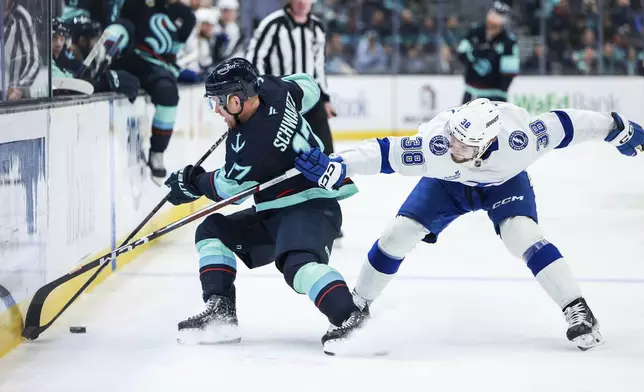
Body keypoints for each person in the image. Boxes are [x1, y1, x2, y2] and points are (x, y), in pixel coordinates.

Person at [295, 98, 644, 353]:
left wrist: (617, 128)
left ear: (486, 144)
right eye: (452, 138)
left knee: (522, 235)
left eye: (463, 145)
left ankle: (576, 308)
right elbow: (385, 152)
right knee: (397, 235)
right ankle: (359, 305)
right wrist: (339, 164)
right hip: (447, 185)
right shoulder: (437, 145)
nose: (452, 146)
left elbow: (568, 122)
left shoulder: (519, 140)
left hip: (503, 183)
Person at [163, 58, 366, 353]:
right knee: (213, 231)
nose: (217, 110)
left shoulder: (252, 146)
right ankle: (221, 314)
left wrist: (192, 183)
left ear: (236, 99)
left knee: (297, 264)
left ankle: (351, 318)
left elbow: (231, 188)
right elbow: (308, 87)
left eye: (218, 103)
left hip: (310, 205)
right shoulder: (273, 88)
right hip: (276, 209)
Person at [99, 0, 196, 183]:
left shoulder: (186, 16)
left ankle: (158, 151)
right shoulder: (139, 4)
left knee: (169, 95)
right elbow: (122, 22)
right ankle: (101, 56)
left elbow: (174, 50)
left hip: (158, 68)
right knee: (121, 29)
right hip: (128, 60)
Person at [246, 0, 337, 157]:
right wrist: (262, 90)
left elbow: (319, 66)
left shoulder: (317, 27)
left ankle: (328, 179)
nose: (302, 3)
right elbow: (255, 58)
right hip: (281, 96)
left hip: (311, 95)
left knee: (326, 149)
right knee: (282, 151)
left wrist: (325, 98)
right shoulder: (273, 24)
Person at [455, 1, 518, 103]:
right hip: (471, 91)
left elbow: (509, 72)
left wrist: (500, 92)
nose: (492, 19)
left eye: (498, 16)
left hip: (495, 95)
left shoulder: (509, 41)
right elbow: (461, 52)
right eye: (492, 14)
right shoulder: (475, 32)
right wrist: (474, 64)